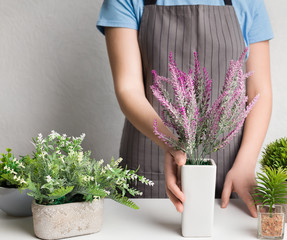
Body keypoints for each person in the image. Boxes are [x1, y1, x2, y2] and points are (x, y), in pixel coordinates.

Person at [96, 0, 273, 218]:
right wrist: (171, 143)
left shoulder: (247, 2)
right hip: (151, 157)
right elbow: (128, 88)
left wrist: (246, 163)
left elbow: (258, 91)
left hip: (230, 167)